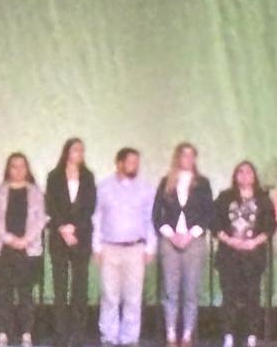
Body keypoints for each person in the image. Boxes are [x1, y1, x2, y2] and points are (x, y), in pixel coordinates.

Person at [91, 148, 155, 347]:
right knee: (110, 295)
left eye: (137, 162)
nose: (135, 166)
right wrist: (96, 246)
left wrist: (150, 246)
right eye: (131, 162)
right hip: (109, 247)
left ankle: (129, 338)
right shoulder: (103, 187)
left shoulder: (146, 189)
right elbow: (97, 218)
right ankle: (109, 336)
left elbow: (149, 218)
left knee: (133, 297)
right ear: (119, 163)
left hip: (136, 248)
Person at [152, 143, 214, 347]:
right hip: (170, 242)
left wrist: (190, 234)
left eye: (191, 155)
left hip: (193, 242)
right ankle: (171, 334)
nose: (187, 159)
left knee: (190, 290)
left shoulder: (202, 183)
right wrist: (171, 235)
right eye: (184, 155)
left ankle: (187, 335)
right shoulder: (166, 182)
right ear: (177, 157)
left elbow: (208, 214)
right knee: (170, 290)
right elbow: (156, 215)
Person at [212, 161, 275, 347]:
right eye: (240, 172)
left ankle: (251, 336)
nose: (245, 175)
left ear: (254, 176)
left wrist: (254, 242)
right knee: (229, 297)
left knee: (252, 297)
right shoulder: (225, 197)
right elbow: (214, 222)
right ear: (235, 176)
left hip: (253, 256)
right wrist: (230, 240)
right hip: (229, 256)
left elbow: (270, 226)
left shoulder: (263, 198)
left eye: (249, 172)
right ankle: (228, 336)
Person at [0, 153, 47, 347]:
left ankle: (26, 334)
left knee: (26, 294)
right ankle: (3, 333)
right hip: (4, 248)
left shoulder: (35, 192)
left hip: (27, 249)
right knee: (3, 293)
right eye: (14, 166)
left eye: (23, 166)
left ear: (27, 169)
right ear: (8, 168)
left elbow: (40, 220)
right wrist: (9, 239)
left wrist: (26, 240)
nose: (19, 170)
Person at [45, 139, 96, 347]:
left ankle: (78, 333)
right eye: (76, 150)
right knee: (60, 286)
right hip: (59, 236)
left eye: (82, 150)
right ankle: (61, 333)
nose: (80, 153)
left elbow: (90, 206)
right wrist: (63, 228)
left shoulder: (88, 176)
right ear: (67, 152)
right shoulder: (54, 176)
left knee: (80, 286)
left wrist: (75, 228)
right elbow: (51, 205)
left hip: (81, 237)